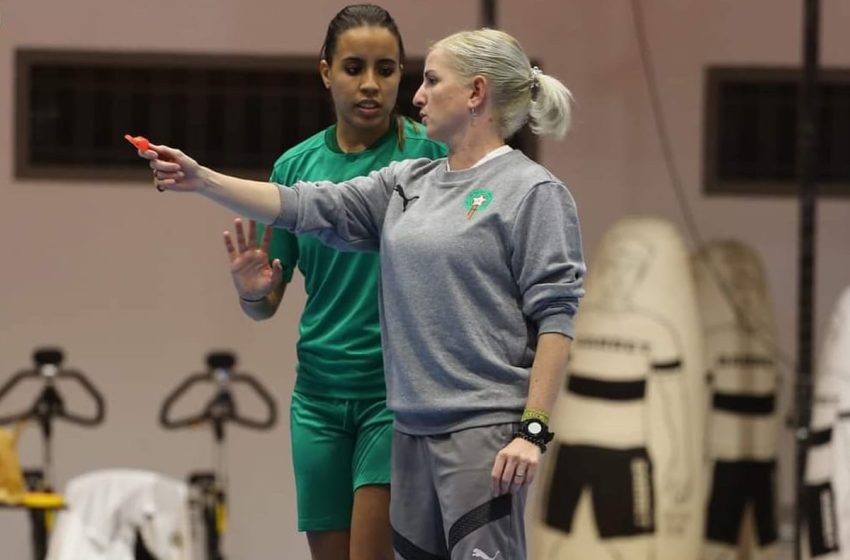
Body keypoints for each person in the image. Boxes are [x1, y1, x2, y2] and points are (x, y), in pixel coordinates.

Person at [142, 27, 585, 560]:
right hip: (409, 428)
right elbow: (305, 205)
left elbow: (556, 317)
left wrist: (533, 429)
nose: (417, 96)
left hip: (483, 430)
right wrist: (202, 180)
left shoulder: (534, 192)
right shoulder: (406, 181)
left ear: (476, 93)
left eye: (431, 80)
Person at [221, 5, 445, 560]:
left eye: (386, 69)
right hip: (317, 399)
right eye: (353, 68)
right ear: (325, 72)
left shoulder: (431, 158)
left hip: (394, 397)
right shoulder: (293, 171)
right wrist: (252, 290)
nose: (370, 84)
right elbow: (266, 304)